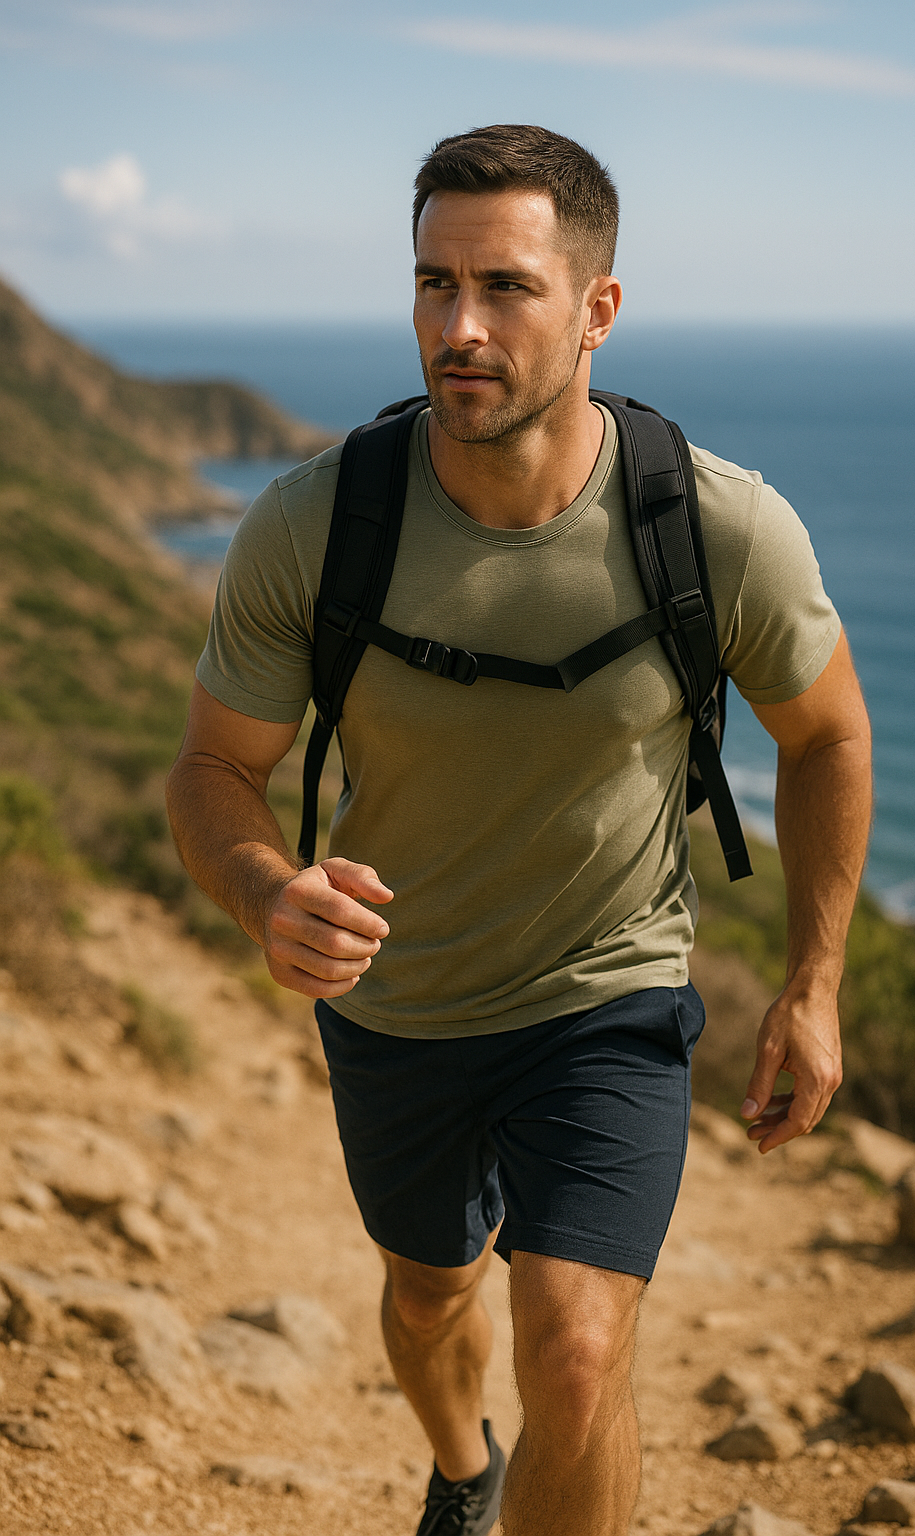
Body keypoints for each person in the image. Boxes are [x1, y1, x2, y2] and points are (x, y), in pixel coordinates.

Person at [166, 124, 872, 1536]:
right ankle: (459, 1471)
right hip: (399, 1004)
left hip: (604, 996)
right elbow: (210, 771)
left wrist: (814, 983)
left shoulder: (718, 527)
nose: (460, 327)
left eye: (506, 288)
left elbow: (828, 736)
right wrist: (265, 894)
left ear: (599, 307)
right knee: (431, 1302)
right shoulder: (318, 526)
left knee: (580, 1348)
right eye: (434, 285)